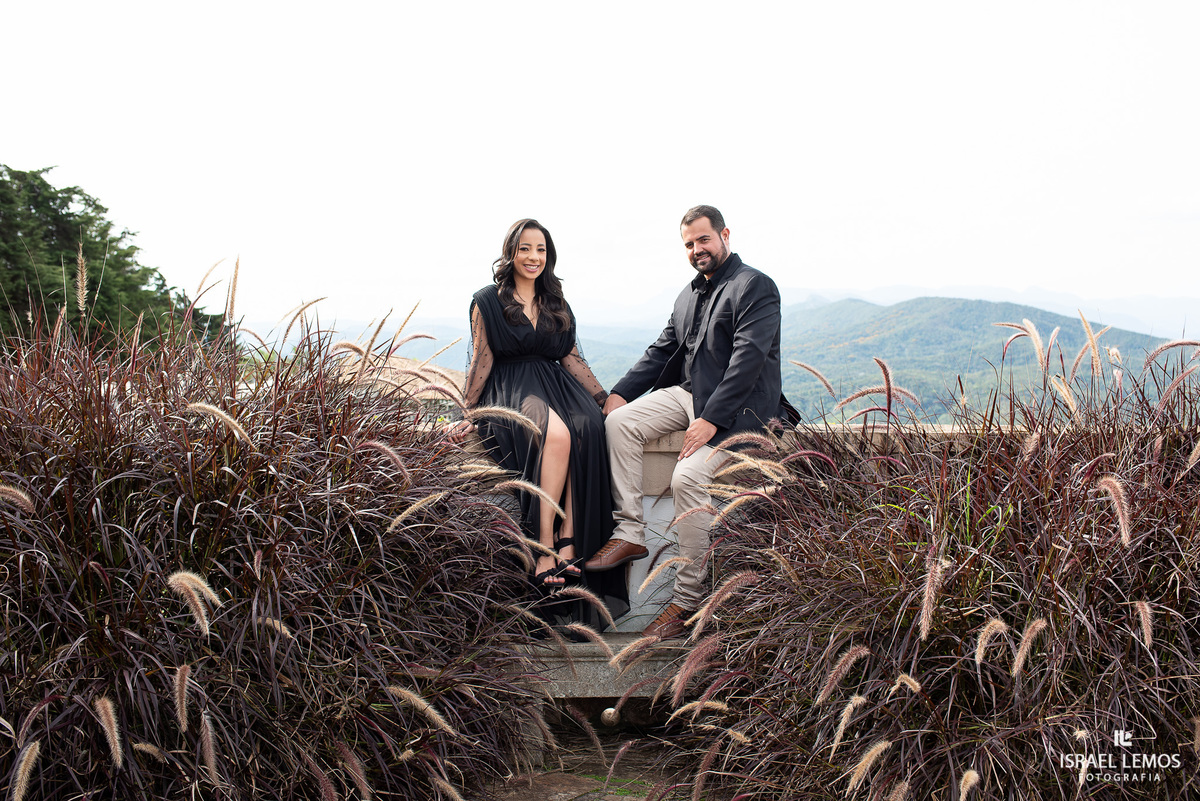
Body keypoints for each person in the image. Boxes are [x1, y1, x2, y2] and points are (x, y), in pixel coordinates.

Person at [584, 205, 798, 639]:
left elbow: (748, 361)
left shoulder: (754, 286)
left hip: (740, 409)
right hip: (688, 394)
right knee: (619, 423)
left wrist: (711, 420)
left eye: (703, 239)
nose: (697, 249)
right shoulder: (687, 295)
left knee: (687, 478)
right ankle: (630, 530)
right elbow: (663, 351)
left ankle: (686, 600)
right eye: (688, 244)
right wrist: (620, 394)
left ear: (724, 235)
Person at [447, 218, 629, 630]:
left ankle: (571, 537)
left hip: (557, 383)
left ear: (549, 256)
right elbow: (483, 359)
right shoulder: (487, 300)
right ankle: (545, 541)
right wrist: (468, 412)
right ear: (511, 252)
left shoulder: (555, 299)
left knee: (586, 427)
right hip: (512, 387)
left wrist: (604, 400)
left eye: (541, 250)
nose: (534, 257)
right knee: (557, 433)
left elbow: (571, 357)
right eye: (526, 248)